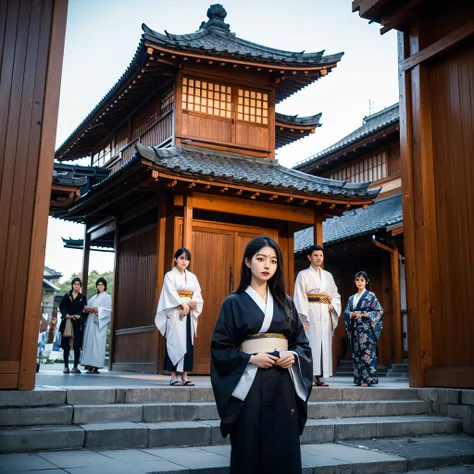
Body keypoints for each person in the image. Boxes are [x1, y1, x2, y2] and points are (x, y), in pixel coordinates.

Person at [211, 236, 313, 474]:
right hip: (250, 383)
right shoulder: (233, 303)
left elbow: (302, 344)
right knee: (249, 443)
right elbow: (220, 347)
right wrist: (249, 359)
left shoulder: (287, 303)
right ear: (248, 262)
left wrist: (294, 356)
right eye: (261, 259)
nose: (267, 266)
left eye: (273, 261)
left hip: (283, 381)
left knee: (282, 445)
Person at [293, 244, 341, 387]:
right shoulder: (303, 275)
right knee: (312, 343)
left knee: (324, 343)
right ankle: (310, 376)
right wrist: (304, 318)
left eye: (320, 255)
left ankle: (321, 376)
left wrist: (334, 305)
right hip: (311, 312)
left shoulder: (328, 275)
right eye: (315, 255)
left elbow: (335, 294)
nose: (318, 258)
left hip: (325, 312)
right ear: (309, 257)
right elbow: (299, 296)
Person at [155, 248, 203, 386]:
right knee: (174, 343)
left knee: (188, 343)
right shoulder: (170, 275)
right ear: (175, 259)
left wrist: (191, 304)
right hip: (175, 312)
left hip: (188, 315)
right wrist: (183, 305)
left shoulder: (192, 277)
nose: (184, 261)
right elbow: (169, 294)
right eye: (181, 258)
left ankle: (185, 376)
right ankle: (173, 376)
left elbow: (197, 295)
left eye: (187, 259)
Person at [344, 271, 384, 387]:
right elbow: (347, 311)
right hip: (356, 330)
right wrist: (351, 315)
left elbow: (379, 311)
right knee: (357, 354)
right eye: (357, 280)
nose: (359, 282)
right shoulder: (352, 298)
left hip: (367, 330)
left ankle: (368, 379)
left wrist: (363, 314)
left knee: (368, 354)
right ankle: (359, 378)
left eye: (362, 280)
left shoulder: (371, 296)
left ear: (366, 282)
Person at [81, 277, 113, 374]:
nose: (100, 286)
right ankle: (89, 364)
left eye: (102, 285)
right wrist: (87, 309)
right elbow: (87, 307)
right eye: (98, 284)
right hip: (91, 322)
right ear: (96, 286)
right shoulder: (93, 297)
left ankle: (96, 365)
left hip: (99, 323)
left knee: (98, 344)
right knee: (89, 343)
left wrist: (97, 310)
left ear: (105, 286)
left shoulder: (107, 297)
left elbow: (108, 310)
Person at [59, 277, 87, 374]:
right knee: (66, 345)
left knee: (76, 345)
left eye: (78, 284)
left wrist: (79, 314)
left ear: (80, 286)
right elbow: (61, 306)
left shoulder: (82, 298)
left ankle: (75, 367)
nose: (76, 286)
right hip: (67, 322)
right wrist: (66, 314)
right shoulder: (67, 295)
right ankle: (66, 366)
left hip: (77, 324)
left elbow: (84, 309)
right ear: (72, 285)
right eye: (75, 284)